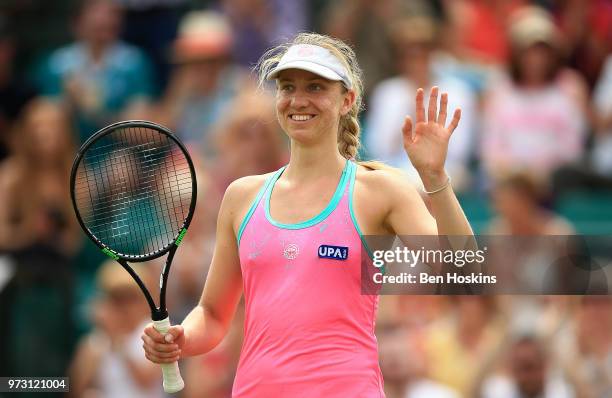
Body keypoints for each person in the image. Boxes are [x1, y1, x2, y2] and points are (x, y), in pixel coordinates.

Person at [142, 32, 473, 397]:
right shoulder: (241, 196)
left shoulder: (379, 189)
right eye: (287, 87)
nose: (298, 100)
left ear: (347, 100)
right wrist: (181, 339)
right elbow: (214, 314)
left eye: (315, 87)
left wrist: (435, 178)